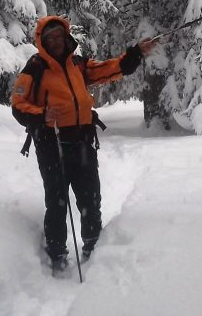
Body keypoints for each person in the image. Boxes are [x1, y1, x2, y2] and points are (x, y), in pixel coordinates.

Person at [10, 15, 157, 274]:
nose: (56, 41)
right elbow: (18, 105)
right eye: (50, 38)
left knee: (90, 196)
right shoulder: (35, 67)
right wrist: (41, 114)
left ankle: (93, 246)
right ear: (42, 42)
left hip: (82, 139)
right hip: (51, 142)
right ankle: (57, 253)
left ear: (66, 38)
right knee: (57, 201)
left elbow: (107, 69)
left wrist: (135, 53)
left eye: (59, 36)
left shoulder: (78, 64)